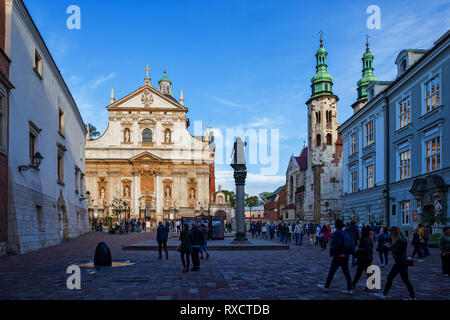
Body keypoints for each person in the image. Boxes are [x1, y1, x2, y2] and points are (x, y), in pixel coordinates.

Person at [374, 226, 415, 300]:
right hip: (403, 262)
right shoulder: (403, 239)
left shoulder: (399, 240)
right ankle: (412, 297)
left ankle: (384, 294)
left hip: (399, 262)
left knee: (390, 277)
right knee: (405, 280)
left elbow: (396, 251)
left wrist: (389, 246)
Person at [317, 219, 353, 294]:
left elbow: (338, 244)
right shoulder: (345, 232)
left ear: (336, 226)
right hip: (345, 255)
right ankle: (350, 289)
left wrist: (334, 250)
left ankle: (326, 286)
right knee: (346, 272)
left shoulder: (337, 233)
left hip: (338, 255)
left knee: (332, 271)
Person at [351, 226, 373, 290]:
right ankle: (354, 284)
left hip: (365, 258)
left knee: (361, 272)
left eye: (361, 230)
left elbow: (367, 248)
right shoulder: (365, 238)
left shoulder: (366, 239)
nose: (360, 231)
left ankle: (353, 284)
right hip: (364, 258)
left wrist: (358, 249)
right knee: (362, 272)